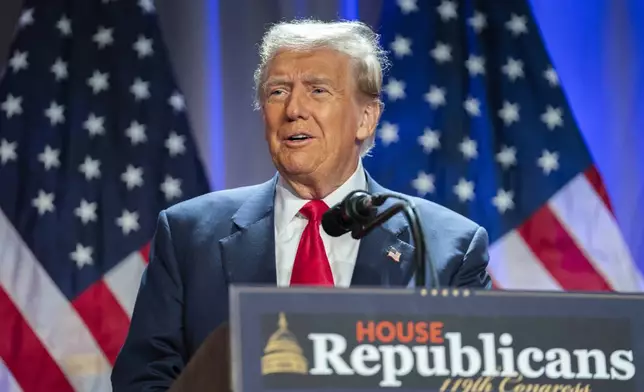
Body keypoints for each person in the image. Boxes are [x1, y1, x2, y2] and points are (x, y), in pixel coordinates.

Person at [110, 19, 491, 391]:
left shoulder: (448, 247)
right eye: (277, 91)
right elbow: (143, 380)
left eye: (318, 90)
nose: (293, 108)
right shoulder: (188, 234)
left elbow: (477, 378)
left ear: (366, 118)